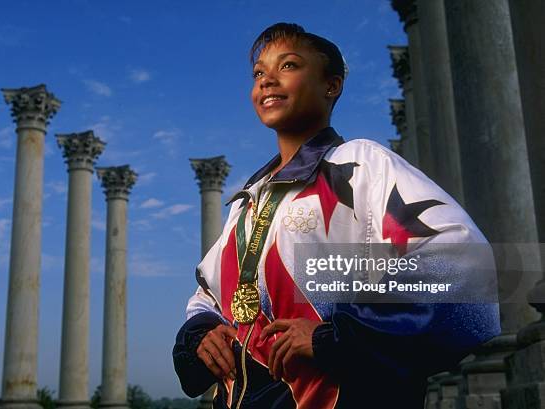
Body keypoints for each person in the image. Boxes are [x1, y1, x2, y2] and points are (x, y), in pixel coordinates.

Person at [172, 22, 500, 408]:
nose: (267, 81)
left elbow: (463, 264)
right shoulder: (248, 201)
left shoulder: (358, 164)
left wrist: (336, 337)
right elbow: (207, 296)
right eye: (259, 72)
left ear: (332, 85)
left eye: (289, 66)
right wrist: (203, 334)